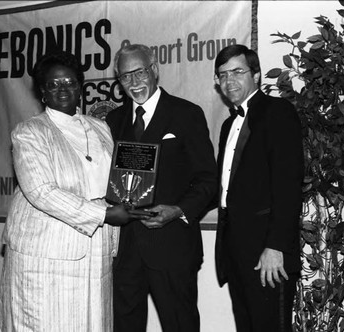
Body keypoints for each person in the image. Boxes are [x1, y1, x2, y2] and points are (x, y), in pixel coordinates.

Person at [0, 51, 132, 331]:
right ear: (43, 92)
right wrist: (103, 214)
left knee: (90, 322)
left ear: (80, 87)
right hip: (45, 252)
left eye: (70, 82)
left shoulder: (101, 127)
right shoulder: (30, 132)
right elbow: (41, 192)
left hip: (96, 248)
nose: (63, 89)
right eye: (54, 84)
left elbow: (114, 180)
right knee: (46, 322)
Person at [106, 44, 217, 332]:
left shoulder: (186, 114)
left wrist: (178, 210)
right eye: (125, 77)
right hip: (125, 249)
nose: (134, 83)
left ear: (154, 70)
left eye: (139, 72)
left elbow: (208, 180)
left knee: (180, 325)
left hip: (172, 246)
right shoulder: (112, 121)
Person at [213, 44, 304, 332]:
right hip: (235, 250)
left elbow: (288, 185)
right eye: (222, 75)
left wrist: (275, 246)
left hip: (267, 253)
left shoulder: (278, 112)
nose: (229, 81)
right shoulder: (228, 125)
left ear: (257, 75)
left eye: (237, 72)